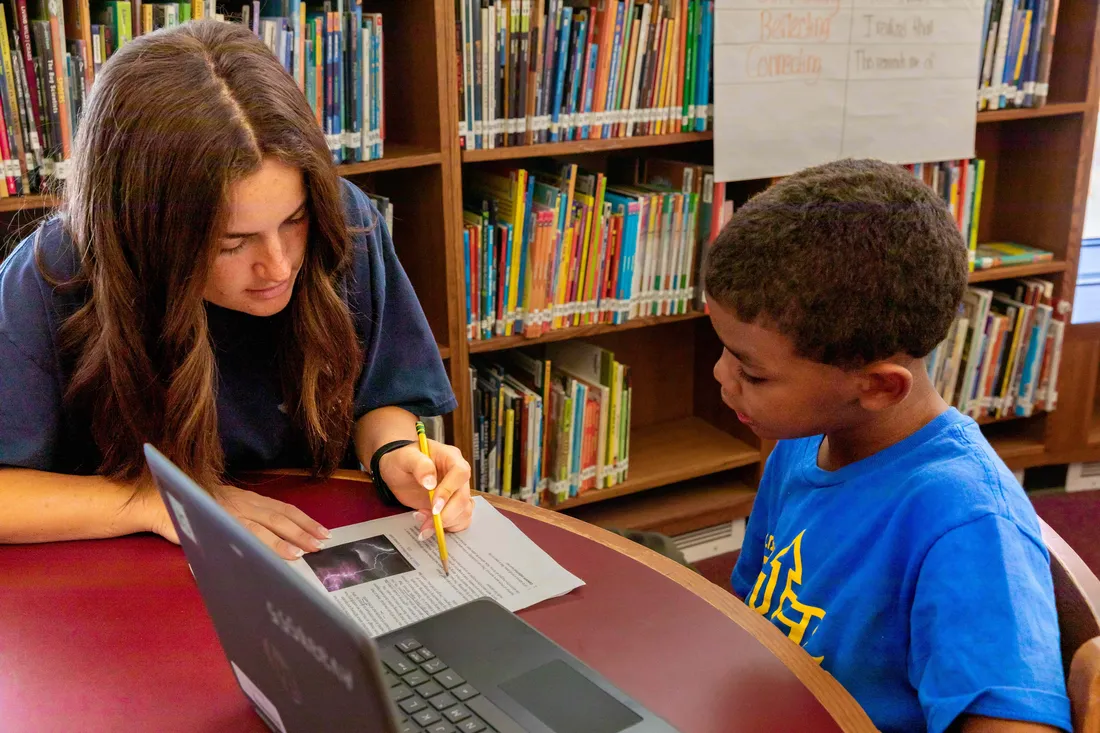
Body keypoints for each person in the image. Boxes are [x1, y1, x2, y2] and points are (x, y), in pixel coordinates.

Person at [0, 20, 472, 560]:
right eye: (232, 244)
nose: (278, 266)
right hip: (123, 572)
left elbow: (380, 394)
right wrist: (158, 502)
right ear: (144, 233)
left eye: (292, 220)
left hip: (305, 545)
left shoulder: (341, 220)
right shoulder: (52, 275)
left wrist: (394, 452)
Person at [704, 159, 1072, 733]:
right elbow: (749, 613)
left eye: (752, 373)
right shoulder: (801, 446)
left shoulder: (966, 523)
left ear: (876, 386)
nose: (720, 375)